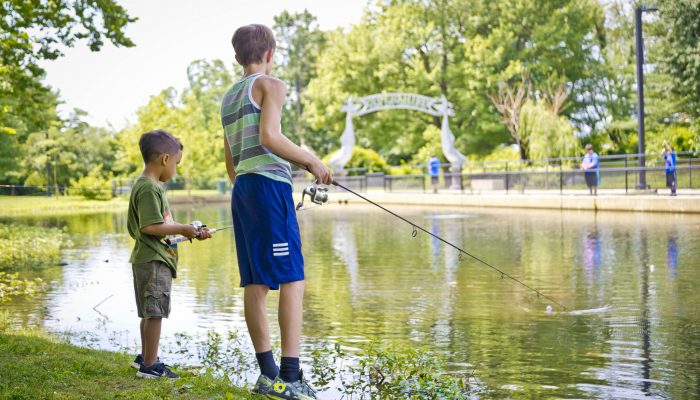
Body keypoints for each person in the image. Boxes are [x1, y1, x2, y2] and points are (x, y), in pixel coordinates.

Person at [221, 24, 331, 400]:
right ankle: (291, 375)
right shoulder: (272, 85)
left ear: (237, 57)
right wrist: (310, 160)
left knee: (255, 282)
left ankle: (268, 376)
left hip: (244, 191)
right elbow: (269, 136)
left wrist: (266, 175)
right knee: (292, 277)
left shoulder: (228, 98)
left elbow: (231, 164)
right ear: (270, 53)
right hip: (268, 190)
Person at [127, 130, 211, 378]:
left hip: (150, 257)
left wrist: (190, 232)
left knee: (148, 311)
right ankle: (150, 366)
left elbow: (163, 229)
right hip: (153, 260)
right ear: (165, 159)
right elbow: (149, 227)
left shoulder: (148, 187)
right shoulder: (149, 188)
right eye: (177, 163)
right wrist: (184, 227)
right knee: (154, 313)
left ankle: (145, 357)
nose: (176, 169)